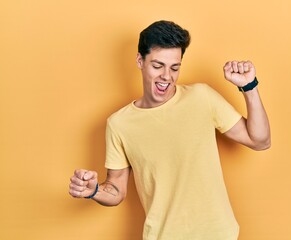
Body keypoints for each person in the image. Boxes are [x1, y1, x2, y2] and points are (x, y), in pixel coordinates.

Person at [69, 20, 270, 240]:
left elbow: (260, 141)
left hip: (219, 234)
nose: (167, 76)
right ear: (140, 60)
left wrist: (250, 87)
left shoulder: (202, 97)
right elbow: (116, 191)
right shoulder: (119, 124)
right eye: (158, 66)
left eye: (174, 67)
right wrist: (95, 191)